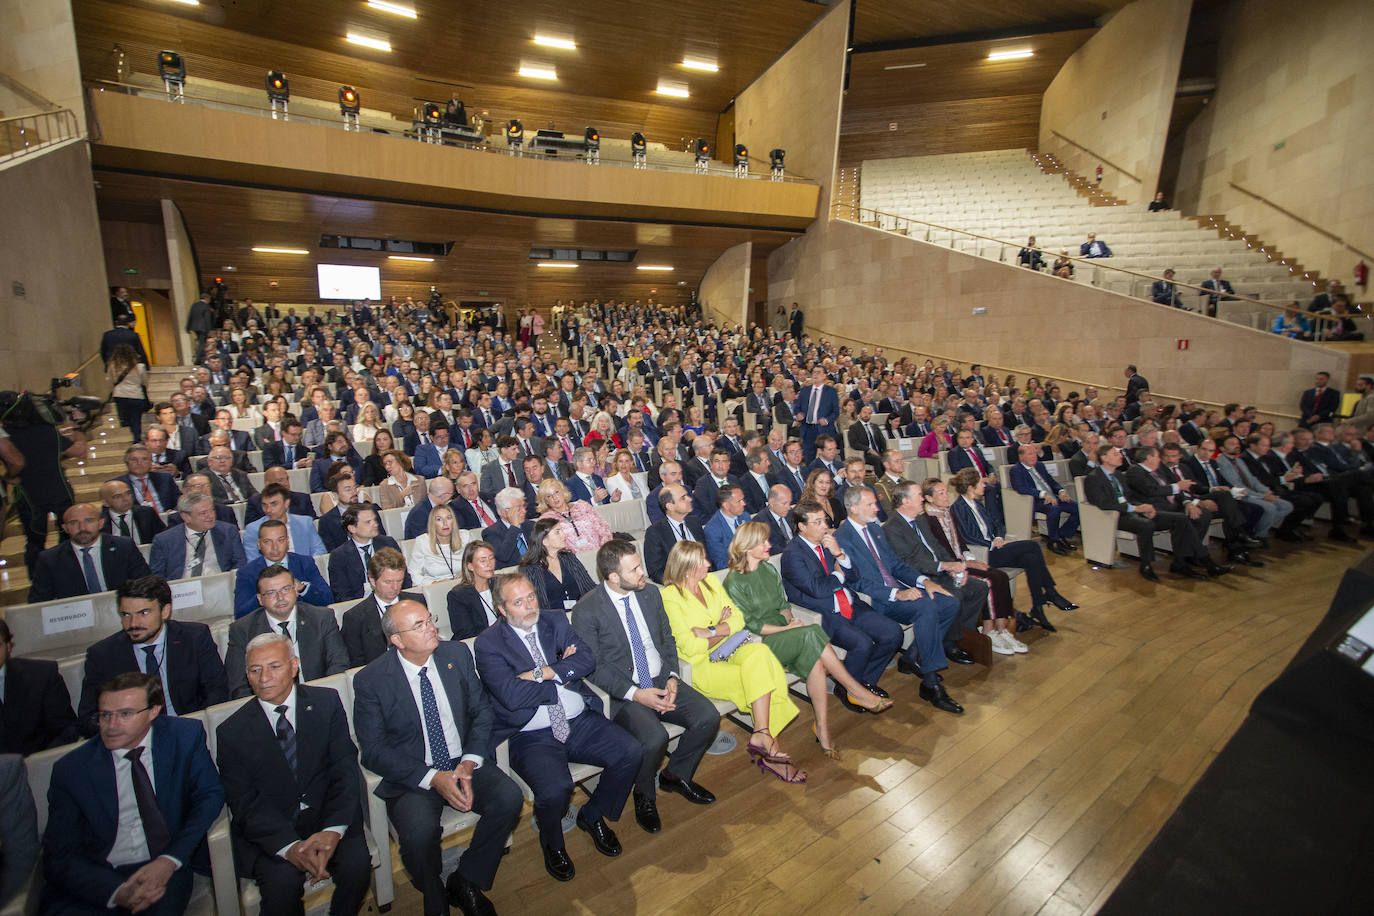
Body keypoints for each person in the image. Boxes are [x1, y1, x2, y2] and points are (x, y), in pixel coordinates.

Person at [352, 600, 523, 916]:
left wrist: (469, 762)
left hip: (462, 761)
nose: (431, 627)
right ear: (397, 640)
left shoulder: (455, 655)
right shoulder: (371, 680)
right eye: (418, 626)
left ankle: (467, 879)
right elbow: (373, 750)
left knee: (509, 798)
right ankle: (434, 891)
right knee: (418, 836)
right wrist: (433, 778)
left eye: (429, 619)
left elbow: (481, 711)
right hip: (415, 775)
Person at [473, 574, 643, 882]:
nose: (529, 606)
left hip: (579, 719)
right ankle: (552, 842)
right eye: (518, 602)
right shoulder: (488, 643)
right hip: (530, 734)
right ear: (501, 608)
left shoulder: (554, 620)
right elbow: (510, 696)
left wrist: (540, 672)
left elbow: (587, 660)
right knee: (555, 789)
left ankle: (592, 815)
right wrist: (560, 676)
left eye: (531, 597)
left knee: (631, 751)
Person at [40, 672, 224, 916]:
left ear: (153, 711)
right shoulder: (72, 770)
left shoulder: (183, 736)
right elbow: (59, 855)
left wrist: (170, 859)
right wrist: (117, 891)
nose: (111, 725)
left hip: (163, 865)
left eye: (125, 714)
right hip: (97, 878)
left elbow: (210, 795)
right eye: (105, 715)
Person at [569, 539, 719, 834]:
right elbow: (594, 667)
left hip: (661, 678)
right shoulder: (587, 610)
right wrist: (636, 694)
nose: (643, 572)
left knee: (708, 717)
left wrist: (673, 676)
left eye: (640, 565)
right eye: (635, 569)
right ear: (613, 577)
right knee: (653, 739)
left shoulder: (650, 593)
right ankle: (644, 795)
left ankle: (675, 774)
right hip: (624, 693)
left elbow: (667, 639)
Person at [215, 633, 371, 916]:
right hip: (273, 833)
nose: (264, 678)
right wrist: (289, 847)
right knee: (281, 889)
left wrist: (332, 830)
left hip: (327, 815)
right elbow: (244, 802)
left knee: (357, 867)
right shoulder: (231, 731)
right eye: (254, 670)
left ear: (294, 666)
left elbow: (344, 768)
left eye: (274, 666)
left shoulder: (327, 703)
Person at [724, 522, 892, 758]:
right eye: (762, 542)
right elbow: (752, 625)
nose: (769, 545)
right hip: (761, 643)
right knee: (813, 632)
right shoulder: (734, 582)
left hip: (787, 633)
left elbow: (783, 606)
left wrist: (791, 621)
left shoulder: (768, 570)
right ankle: (855, 689)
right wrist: (787, 629)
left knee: (816, 661)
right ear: (747, 546)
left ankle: (822, 728)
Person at [659, 540, 805, 783]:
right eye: (702, 561)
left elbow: (738, 619)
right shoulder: (670, 597)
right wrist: (723, 629)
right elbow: (689, 646)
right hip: (701, 666)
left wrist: (711, 630)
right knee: (761, 680)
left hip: (730, 649)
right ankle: (771, 755)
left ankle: (761, 733)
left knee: (761, 655)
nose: (709, 563)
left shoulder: (711, 583)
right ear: (685, 568)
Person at [833, 487, 965, 714]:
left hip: (900, 589)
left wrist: (924, 582)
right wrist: (897, 594)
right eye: (871, 504)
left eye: (875, 503)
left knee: (948, 602)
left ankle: (914, 656)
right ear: (854, 509)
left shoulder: (874, 529)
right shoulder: (842, 538)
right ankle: (931, 683)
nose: (877, 508)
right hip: (878, 599)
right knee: (926, 607)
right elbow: (857, 583)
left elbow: (896, 565)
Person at [224, 564, 349, 698]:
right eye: (271, 592)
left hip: (319, 697)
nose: (280, 597)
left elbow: (338, 665)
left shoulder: (322, 618)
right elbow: (239, 686)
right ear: (260, 599)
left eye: (285, 589)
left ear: (295, 590)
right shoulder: (242, 630)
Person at [949, 468, 1069, 606]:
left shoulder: (977, 504)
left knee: (1030, 559)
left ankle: (1038, 605)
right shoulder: (958, 508)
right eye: (981, 483)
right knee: (1033, 545)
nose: (985, 485)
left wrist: (999, 537)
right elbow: (967, 537)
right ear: (971, 487)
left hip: (994, 547)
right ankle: (1051, 592)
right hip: (984, 554)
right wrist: (992, 544)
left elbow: (997, 523)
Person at [1124, 446, 1232, 578]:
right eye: (1158, 456)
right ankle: (1204, 560)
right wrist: (1177, 487)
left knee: (1202, 515)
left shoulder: (1159, 470)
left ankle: (1182, 559)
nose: (1160, 459)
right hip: (1154, 511)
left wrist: (1188, 503)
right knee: (1182, 519)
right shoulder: (1135, 472)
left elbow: (1177, 491)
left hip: (1172, 506)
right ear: (1149, 458)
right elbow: (1151, 490)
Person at [9, 404, 86, 574]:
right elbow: (79, 451)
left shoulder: (7, 435)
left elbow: (16, 462)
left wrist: (9, 476)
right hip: (58, 490)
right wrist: (78, 429)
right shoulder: (47, 430)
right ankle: (67, 572)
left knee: (34, 541)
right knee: (68, 534)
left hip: (29, 495)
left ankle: (39, 581)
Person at [28, 503, 152, 603]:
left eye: (89, 521)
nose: (82, 528)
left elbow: (146, 583)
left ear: (101, 523)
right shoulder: (50, 559)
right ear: (65, 528)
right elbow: (38, 602)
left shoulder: (124, 546)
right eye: (74, 523)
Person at [0, 617, 79, 755]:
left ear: (8, 646)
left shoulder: (42, 676)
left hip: (38, 767)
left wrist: (40, 764)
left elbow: (66, 730)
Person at [341, 547, 424, 667]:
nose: (395, 587)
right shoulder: (355, 617)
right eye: (388, 582)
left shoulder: (416, 602)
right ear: (373, 581)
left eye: (399, 581)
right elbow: (357, 663)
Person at [148, 492, 245, 580]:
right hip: (183, 590)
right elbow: (158, 576)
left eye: (212, 510)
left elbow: (240, 563)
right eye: (203, 513)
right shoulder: (164, 540)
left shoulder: (228, 531)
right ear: (186, 517)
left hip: (219, 585)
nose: (210, 516)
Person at [327, 503, 408, 602]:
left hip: (393, 598)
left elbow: (405, 578)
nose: (375, 524)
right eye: (368, 522)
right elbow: (341, 594)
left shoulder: (387, 543)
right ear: (352, 528)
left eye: (374, 520)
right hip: (361, 605)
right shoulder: (339, 556)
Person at [1008, 444, 1080, 554]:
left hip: (1052, 497)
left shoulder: (1040, 465)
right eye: (1030, 454)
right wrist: (1042, 494)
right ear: (1021, 457)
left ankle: (1061, 535)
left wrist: (1061, 491)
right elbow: (1022, 489)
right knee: (1054, 509)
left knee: (1078, 507)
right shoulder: (1016, 470)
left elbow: (1051, 482)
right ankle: (1054, 541)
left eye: (1035, 453)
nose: (1034, 457)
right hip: (1035, 501)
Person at [519, 517, 597, 610]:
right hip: (552, 619)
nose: (564, 535)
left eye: (562, 531)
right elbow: (535, 605)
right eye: (557, 532)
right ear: (544, 541)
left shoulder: (568, 557)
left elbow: (588, 586)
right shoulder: (529, 568)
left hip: (580, 612)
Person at [243, 483, 327, 560]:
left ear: (286, 503)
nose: (268, 510)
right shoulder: (253, 530)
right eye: (265, 505)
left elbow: (319, 551)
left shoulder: (305, 523)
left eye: (274, 504)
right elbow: (253, 560)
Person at [537, 478, 614, 554]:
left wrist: (604, 551)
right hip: (573, 560)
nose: (554, 497)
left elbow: (604, 529)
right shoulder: (546, 519)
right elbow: (552, 547)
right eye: (549, 496)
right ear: (546, 501)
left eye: (556, 492)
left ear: (563, 491)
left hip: (600, 553)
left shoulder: (582, 506)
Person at [446, 540, 500, 640]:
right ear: (470, 566)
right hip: (480, 642)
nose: (489, 564)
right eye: (483, 561)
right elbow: (465, 633)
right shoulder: (458, 596)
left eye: (491, 558)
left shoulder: (501, 584)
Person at [408, 503, 466, 585]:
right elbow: (413, 573)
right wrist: (434, 583)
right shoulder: (422, 541)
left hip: (463, 584)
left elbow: (476, 563)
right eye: (439, 519)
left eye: (448, 518)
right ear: (433, 523)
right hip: (434, 588)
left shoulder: (465, 536)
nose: (445, 523)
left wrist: (467, 573)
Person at [99, 479, 166, 547]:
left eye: (128, 493)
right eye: (118, 496)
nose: (126, 499)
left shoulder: (147, 513)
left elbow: (163, 538)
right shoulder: (100, 523)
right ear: (105, 503)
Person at [108, 343, 149, 443]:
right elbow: (144, 382)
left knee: (127, 419)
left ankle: (134, 435)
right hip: (136, 394)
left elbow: (112, 380)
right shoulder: (140, 366)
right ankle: (137, 439)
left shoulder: (113, 366)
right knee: (136, 418)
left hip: (120, 395)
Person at [795, 366, 838, 462]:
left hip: (824, 430)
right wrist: (798, 414)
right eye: (814, 372)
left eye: (818, 372)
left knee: (826, 458)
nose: (815, 374)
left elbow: (836, 412)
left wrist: (827, 420)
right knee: (808, 458)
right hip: (807, 428)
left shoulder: (831, 391)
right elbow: (797, 408)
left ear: (824, 376)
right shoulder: (804, 390)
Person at [703, 483, 749, 570]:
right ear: (726, 505)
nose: (744, 503)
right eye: (739, 501)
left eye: (743, 499)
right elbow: (721, 563)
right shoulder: (712, 529)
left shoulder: (745, 517)